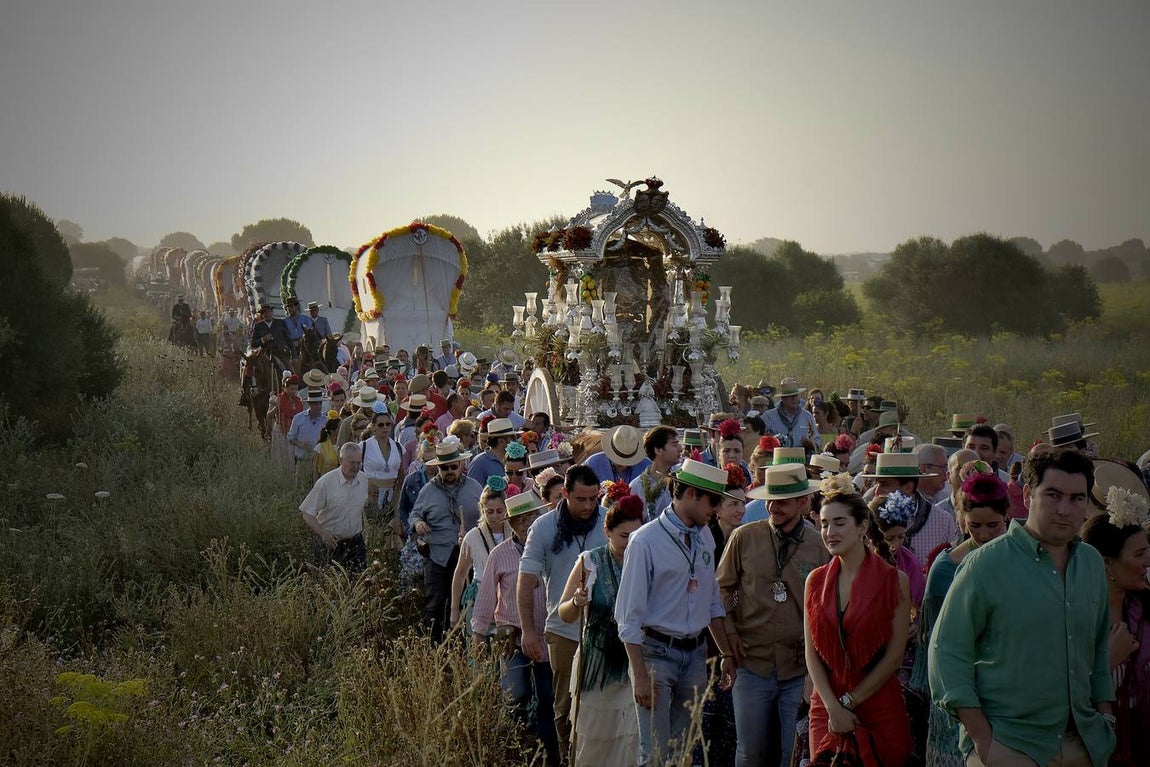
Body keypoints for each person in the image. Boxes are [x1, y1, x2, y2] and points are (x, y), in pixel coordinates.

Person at [929, 449, 1116, 767]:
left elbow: (1097, 649)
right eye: (1053, 495)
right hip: (1010, 744)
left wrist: (1106, 719)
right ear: (1028, 495)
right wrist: (983, 739)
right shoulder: (985, 564)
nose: (1064, 509)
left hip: (1082, 743)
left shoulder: (1091, 563)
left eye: (1076, 498)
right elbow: (946, 651)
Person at [614, 459, 740, 766]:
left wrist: (726, 654)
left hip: (695, 654)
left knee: (684, 753)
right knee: (655, 752)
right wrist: (640, 675)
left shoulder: (705, 537)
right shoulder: (645, 540)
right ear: (691, 495)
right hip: (655, 653)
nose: (715, 510)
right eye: (713, 501)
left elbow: (712, 602)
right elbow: (627, 616)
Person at [722, 463, 830, 767]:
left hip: (799, 667)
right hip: (751, 663)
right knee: (750, 754)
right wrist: (730, 635)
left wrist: (816, 670)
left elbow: (825, 608)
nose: (773, 507)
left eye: (782, 501)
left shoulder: (819, 546)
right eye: (770, 499)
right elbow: (724, 590)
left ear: (803, 502)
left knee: (791, 753)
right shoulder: (744, 537)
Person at [804, 477, 912, 767]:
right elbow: (811, 652)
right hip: (826, 706)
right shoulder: (814, 581)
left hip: (877, 702)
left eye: (839, 523)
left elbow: (894, 657)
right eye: (824, 523)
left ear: (862, 526)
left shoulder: (894, 581)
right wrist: (832, 706)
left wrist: (849, 703)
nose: (829, 532)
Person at [909, 469, 1010, 767]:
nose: (984, 534)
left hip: (1006, 691)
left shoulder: (1020, 561)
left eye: (993, 525)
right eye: (974, 525)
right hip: (957, 694)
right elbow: (940, 648)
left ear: (1009, 517)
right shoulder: (945, 569)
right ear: (961, 520)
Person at [518, 465, 608, 761]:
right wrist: (529, 630)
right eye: (581, 499)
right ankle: (566, 757)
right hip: (563, 630)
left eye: (594, 499)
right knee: (565, 707)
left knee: (602, 704)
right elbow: (527, 581)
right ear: (565, 494)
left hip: (604, 629)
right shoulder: (543, 528)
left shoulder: (606, 521)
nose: (588, 506)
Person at [470, 491, 559, 764]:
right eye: (519, 519)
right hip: (513, 636)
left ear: (538, 516)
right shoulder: (500, 554)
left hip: (546, 636)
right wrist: (477, 634)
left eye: (530, 516)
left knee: (548, 695)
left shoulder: (552, 548)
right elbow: (485, 597)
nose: (526, 524)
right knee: (515, 693)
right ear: (511, 523)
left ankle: (548, 752)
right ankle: (514, 746)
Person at [557, 492, 645, 767]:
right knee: (596, 742)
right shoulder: (589, 562)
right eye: (623, 536)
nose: (630, 542)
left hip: (635, 663)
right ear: (607, 531)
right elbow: (564, 614)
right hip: (598, 665)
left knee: (632, 739)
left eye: (636, 534)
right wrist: (576, 601)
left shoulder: (646, 559)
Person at [1077, 486, 1149, 767]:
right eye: (1140, 553)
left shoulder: (1146, 611)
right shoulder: (1075, 619)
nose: (1148, 562)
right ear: (1106, 564)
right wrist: (1105, 662)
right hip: (1094, 751)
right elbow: (1054, 691)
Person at [410, 439, 483, 643]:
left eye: (453, 466)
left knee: (465, 601)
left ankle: (464, 646)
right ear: (438, 468)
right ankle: (435, 650)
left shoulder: (474, 487)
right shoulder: (428, 490)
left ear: (460, 465)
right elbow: (414, 515)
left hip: (467, 554)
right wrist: (418, 525)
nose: (450, 471)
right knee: (435, 603)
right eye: (445, 468)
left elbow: (486, 516)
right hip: (437, 555)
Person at [861, 452, 957, 563]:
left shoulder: (943, 521)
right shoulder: (867, 518)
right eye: (876, 484)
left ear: (908, 487)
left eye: (885, 484)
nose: (877, 491)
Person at [450, 476, 515, 639]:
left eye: (499, 511)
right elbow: (460, 574)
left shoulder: (514, 534)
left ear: (506, 509)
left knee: (504, 651)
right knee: (478, 650)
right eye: (489, 512)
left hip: (508, 597)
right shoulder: (472, 537)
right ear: (482, 509)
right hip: (479, 595)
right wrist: (454, 609)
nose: (494, 517)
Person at [299, 442, 370, 572]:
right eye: (352, 463)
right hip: (330, 543)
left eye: (358, 463)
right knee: (329, 584)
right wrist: (323, 534)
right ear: (341, 460)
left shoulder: (364, 480)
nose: (356, 467)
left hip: (356, 543)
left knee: (359, 583)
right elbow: (307, 513)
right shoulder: (326, 482)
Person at [359, 409, 406, 533]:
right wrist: (366, 483)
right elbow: (354, 470)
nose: (385, 427)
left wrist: (398, 492)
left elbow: (402, 472)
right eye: (381, 425)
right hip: (371, 496)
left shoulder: (398, 447)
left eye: (388, 424)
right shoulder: (364, 446)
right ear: (374, 427)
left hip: (392, 496)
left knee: (391, 533)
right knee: (373, 531)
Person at [628, 425, 681, 522]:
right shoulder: (637, 486)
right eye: (674, 444)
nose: (680, 449)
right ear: (658, 450)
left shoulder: (681, 479)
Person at [762, 377, 820, 453]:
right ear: (783, 398)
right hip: (778, 459)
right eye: (790, 396)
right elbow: (761, 442)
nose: (794, 399)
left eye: (796, 395)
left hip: (802, 459)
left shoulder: (807, 416)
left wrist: (810, 444)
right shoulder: (769, 417)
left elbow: (817, 440)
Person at [584, 425, 652, 485]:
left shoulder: (647, 466)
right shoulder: (593, 464)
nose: (624, 465)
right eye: (620, 461)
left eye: (629, 461)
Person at [287, 390, 327, 480]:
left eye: (320, 403)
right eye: (315, 404)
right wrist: (300, 444)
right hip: (303, 460)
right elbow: (291, 437)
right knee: (301, 487)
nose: (318, 406)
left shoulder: (325, 420)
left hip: (320, 462)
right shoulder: (298, 418)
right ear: (309, 404)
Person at [313, 410, 342, 481]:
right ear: (332, 431)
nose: (342, 429)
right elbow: (315, 469)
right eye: (339, 427)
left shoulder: (344, 444)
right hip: (326, 480)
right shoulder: (320, 447)